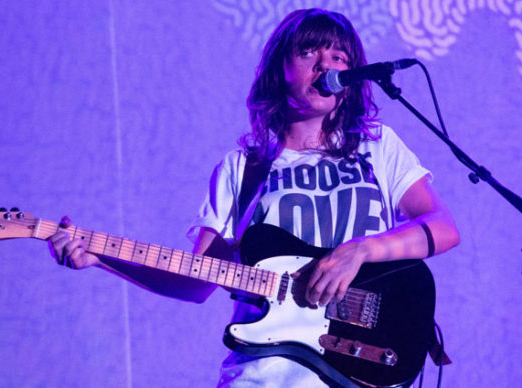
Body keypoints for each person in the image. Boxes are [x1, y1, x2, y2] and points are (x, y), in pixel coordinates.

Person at [48, 8, 460, 387]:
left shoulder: (377, 147)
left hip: (360, 366)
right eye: (309, 51)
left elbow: (441, 228)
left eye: (339, 56)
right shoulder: (242, 169)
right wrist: (101, 256)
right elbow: (197, 281)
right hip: (265, 375)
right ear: (279, 68)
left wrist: (359, 251)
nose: (326, 64)